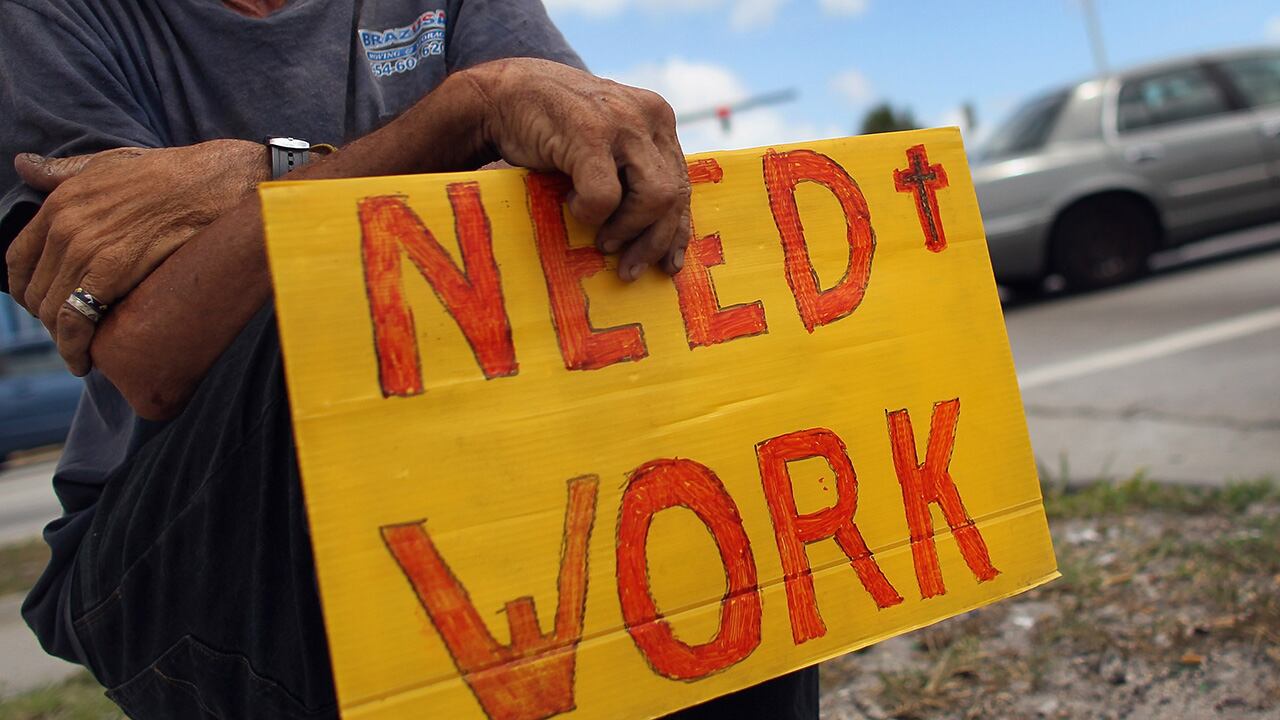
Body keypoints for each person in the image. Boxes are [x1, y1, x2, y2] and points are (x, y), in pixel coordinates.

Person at [0, 1, 819, 718]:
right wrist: (463, 115)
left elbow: (590, 185)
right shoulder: (47, 21)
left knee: (701, 433)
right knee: (326, 309)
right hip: (173, 531)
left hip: (473, 471)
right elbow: (152, 353)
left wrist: (264, 179)